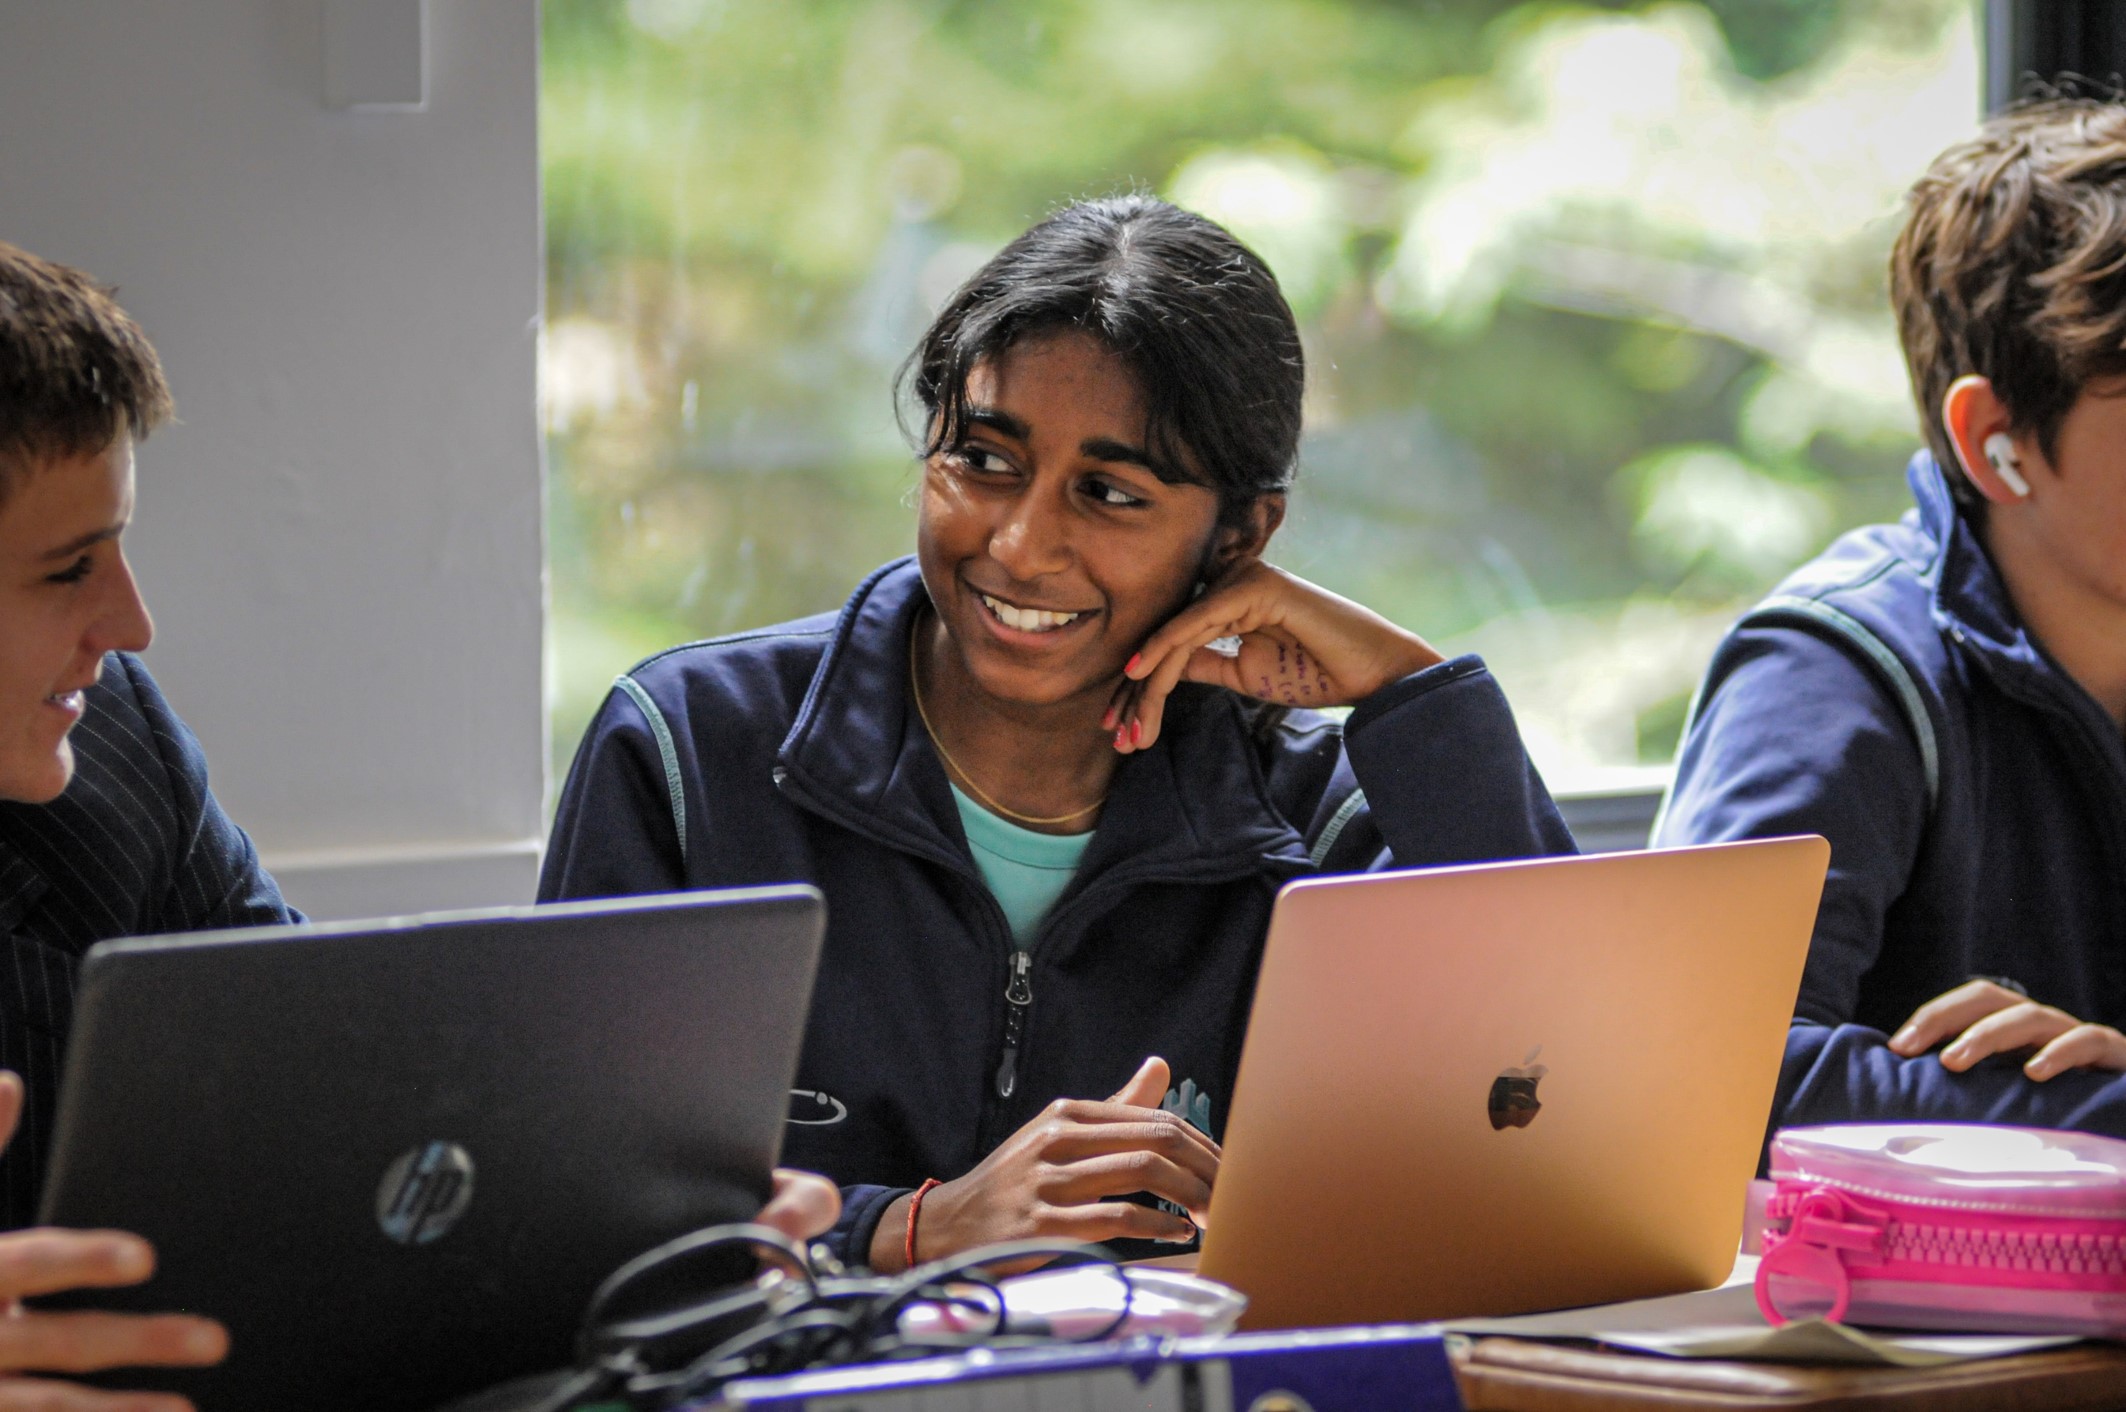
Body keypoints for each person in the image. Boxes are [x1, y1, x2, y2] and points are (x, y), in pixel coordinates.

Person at [543, 195, 1575, 1273]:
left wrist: (1413, 694)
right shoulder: (684, 753)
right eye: (981, 460)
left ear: (1240, 534)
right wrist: (913, 1229)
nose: (1022, 545)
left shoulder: (1314, 817)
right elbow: (572, 1210)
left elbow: (1570, 1119)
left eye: (1107, 492)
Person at [0, 240, 843, 1407]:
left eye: (122, 544)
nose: (132, 624)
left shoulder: (115, 742)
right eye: (66, 570)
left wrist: (629, 1234)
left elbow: (329, 1088)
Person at [1656, 99, 2126, 1137]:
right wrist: (2087, 1105)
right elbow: (1696, 1076)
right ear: (1990, 438)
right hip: (1878, 1300)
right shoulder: (1834, 674)